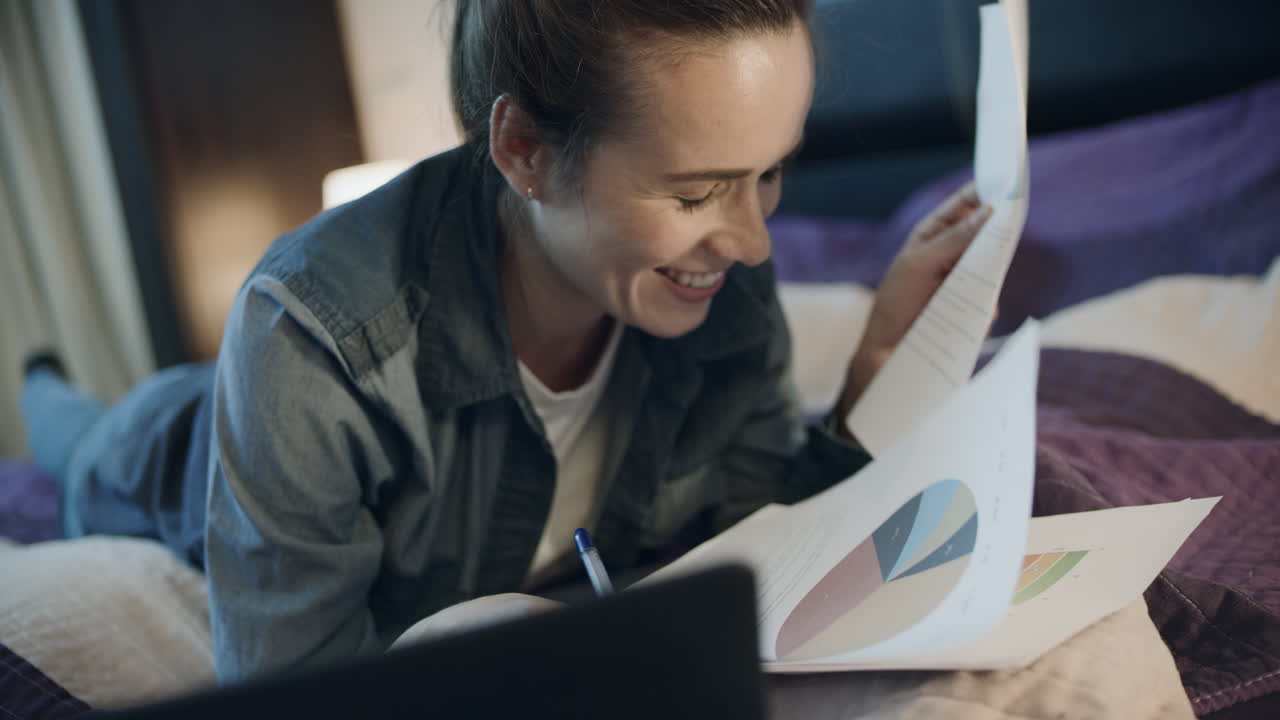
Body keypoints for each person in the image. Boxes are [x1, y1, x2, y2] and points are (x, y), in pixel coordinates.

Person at [20, 0, 990, 685]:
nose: (749, 240)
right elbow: (294, 690)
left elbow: (761, 527)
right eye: (693, 193)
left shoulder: (723, 278)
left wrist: (872, 372)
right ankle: (40, 384)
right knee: (82, 441)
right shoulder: (314, 336)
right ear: (523, 150)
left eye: (770, 173)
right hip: (177, 456)